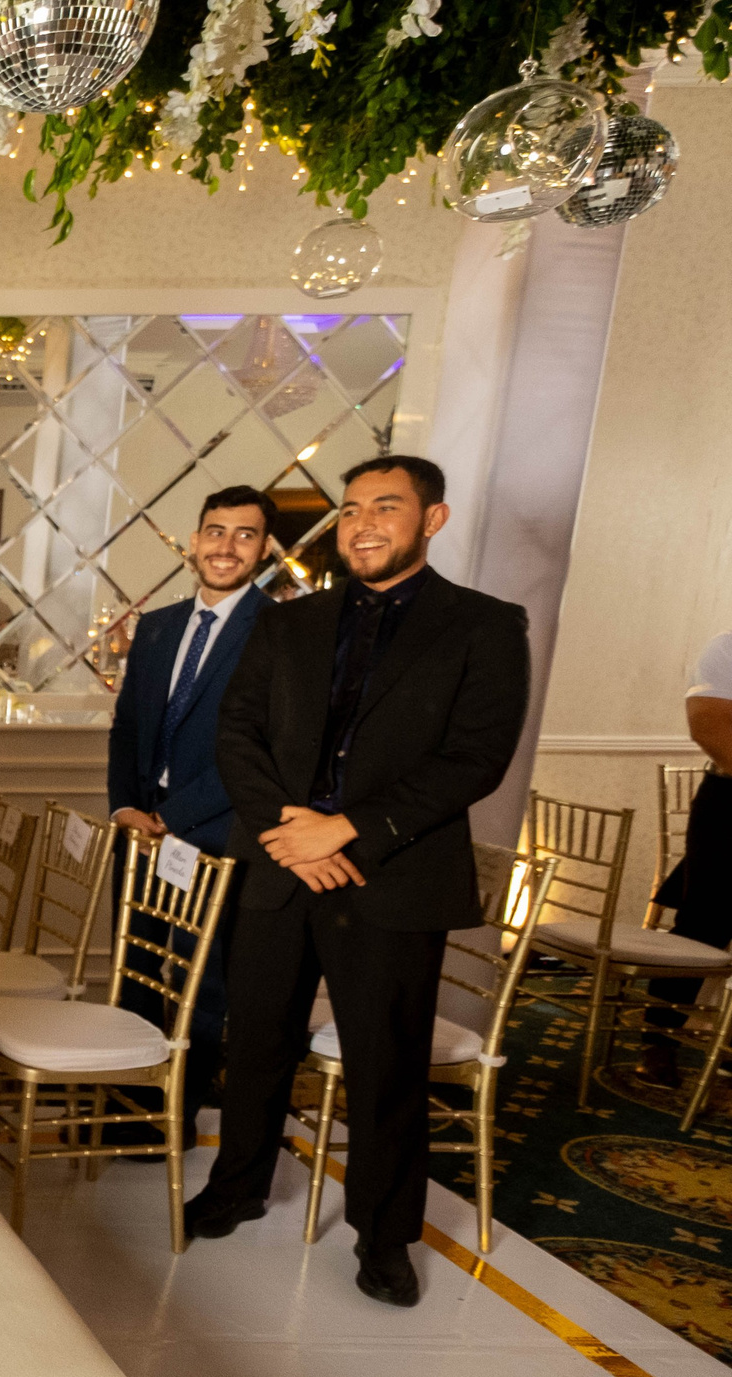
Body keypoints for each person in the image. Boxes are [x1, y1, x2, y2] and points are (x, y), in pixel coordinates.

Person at [191, 455, 531, 1308]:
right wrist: (289, 835)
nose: (362, 524)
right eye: (348, 510)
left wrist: (347, 829)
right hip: (280, 868)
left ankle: (385, 1239)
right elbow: (237, 734)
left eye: (386, 507)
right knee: (258, 1042)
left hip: (392, 876)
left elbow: (475, 759)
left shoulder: (486, 626)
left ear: (433, 519)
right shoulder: (287, 622)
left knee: (386, 1069)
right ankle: (237, 1188)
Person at [106, 484, 274, 1111]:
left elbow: (264, 749)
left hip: (219, 831)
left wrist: (172, 817)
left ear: (263, 549)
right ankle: (127, 1110)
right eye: (216, 531)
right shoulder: (156, 627)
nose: (226, 547)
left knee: (203, 987)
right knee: (138, 978)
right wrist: (126, 806)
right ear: (194, 540)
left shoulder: (280, 632)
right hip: (141, 831)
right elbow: (127, 729)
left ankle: (175, 1116)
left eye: (245, 534)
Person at [645, 632, 732, 1081]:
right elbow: (709, 725)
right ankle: (658, 1038)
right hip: (730, 802)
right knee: (702, 926)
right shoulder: (727, 648)